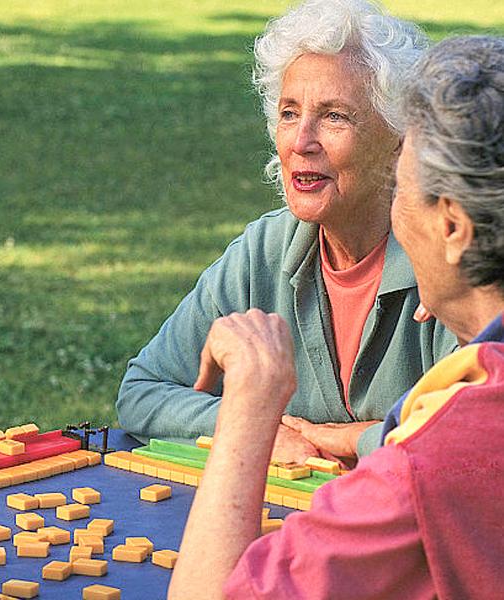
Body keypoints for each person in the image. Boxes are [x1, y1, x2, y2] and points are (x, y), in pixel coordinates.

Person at [170, 34, 504, 599]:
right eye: (290, 113)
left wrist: (250, 409)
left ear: (452, 227)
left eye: (402, 187)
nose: (302, 141)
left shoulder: (436, 459)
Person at [116, 0, 458, 465]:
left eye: (335, 116)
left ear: (401, 141)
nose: (301, 141)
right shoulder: (264, 251)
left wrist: (356, 441)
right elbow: (143, 393)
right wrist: (254, 428)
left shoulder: (449, 260)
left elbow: (472, 439)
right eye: (290, 112)